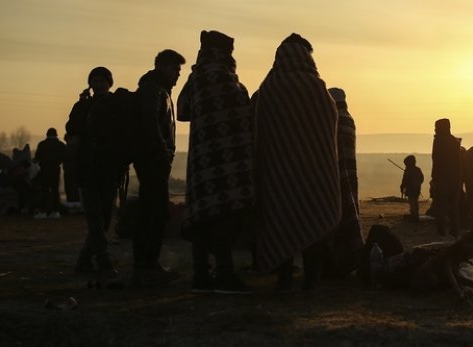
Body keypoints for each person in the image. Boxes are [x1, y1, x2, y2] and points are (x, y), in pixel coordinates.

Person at [253, 33, 341, 291]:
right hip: (314, 172)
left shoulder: (270, 87)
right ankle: (312, 278)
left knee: (281, 222)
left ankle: (284, 278)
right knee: (312, 220)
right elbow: (329, 127)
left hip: (278, 172)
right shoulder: (317, 88)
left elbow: (261, 131)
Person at [176, 30, 254, 294]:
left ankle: (201, 275)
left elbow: (183, 110)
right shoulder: (222, 77)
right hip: (226, 162)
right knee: (226, 215)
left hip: (200, 161)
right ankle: (224, 275)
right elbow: (244, 112)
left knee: (203, 216)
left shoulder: (196, 78)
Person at [132, 49, 185, 286]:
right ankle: (147, 263)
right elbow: (150, 122)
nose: (178, 75)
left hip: (153, 159)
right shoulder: (152, 90)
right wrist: (162, 151)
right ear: (163, 66)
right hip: (152, 160)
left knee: (150, 211)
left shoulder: (158, 90)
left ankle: (145, 262)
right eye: (175, 69)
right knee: (155, 212)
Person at [67, 66, 122, 273]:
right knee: (95, 218)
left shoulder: (115, 106)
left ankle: (84, 260)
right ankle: (103, 259)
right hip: (87, 168)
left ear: (109, 83)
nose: (98, 84)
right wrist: (81, 106)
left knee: (104, 217)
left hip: (107, 168)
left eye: (102, 81)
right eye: (95, 81)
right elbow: (72, 129)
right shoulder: (82, 106)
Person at [324, 87, 364, 278]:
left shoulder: (335, 121)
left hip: (335, 176)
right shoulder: (348, 119)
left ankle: (336, 263)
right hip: (349, 175)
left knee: (335, 217)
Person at [430, 118, 462, 238]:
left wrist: (434, 178)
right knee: (453, 207)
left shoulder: (438, 141)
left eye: (436, 127)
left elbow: (436, 160)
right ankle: (454, 230)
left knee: (441, 206)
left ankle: (441, 231)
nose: (435, 129)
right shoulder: (454, 141)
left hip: (442, 178)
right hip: (455, 178)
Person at [33, 128, 66, 219]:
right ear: (56, 134)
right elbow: (64, 158)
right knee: (55, 190)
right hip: (55, 169)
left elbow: (37, 158)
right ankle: (55, 211)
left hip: (44, 170)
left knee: (45, 191)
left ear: (47, 134)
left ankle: (44, 211)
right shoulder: (61, 145)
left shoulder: (42, 144)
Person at [400, 155, 424, 223]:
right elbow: (422, 179)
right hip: (417, 190)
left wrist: (402, 187)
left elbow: (404, 181)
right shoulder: (418, 169)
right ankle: (416, 216)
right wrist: (418, 184)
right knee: (415, 203)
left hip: (411, 190)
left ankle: (414, 217)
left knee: (412, 203)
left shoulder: (408, 171)